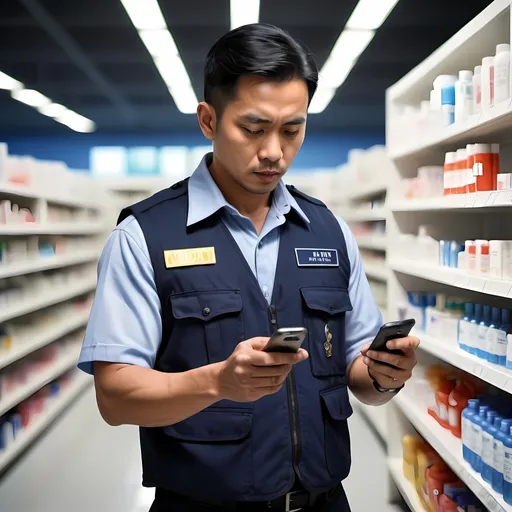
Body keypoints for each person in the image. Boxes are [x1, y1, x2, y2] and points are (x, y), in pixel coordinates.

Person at [78, 23, 420, 512]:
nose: (274, 152)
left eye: (292, 129)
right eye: (254, 129)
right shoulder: (144, 237)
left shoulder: (329, 232)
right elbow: (115, 397)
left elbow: (358, 376)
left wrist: (387, 373)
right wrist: (217, 382)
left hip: (324, 502)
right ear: (208, 120)